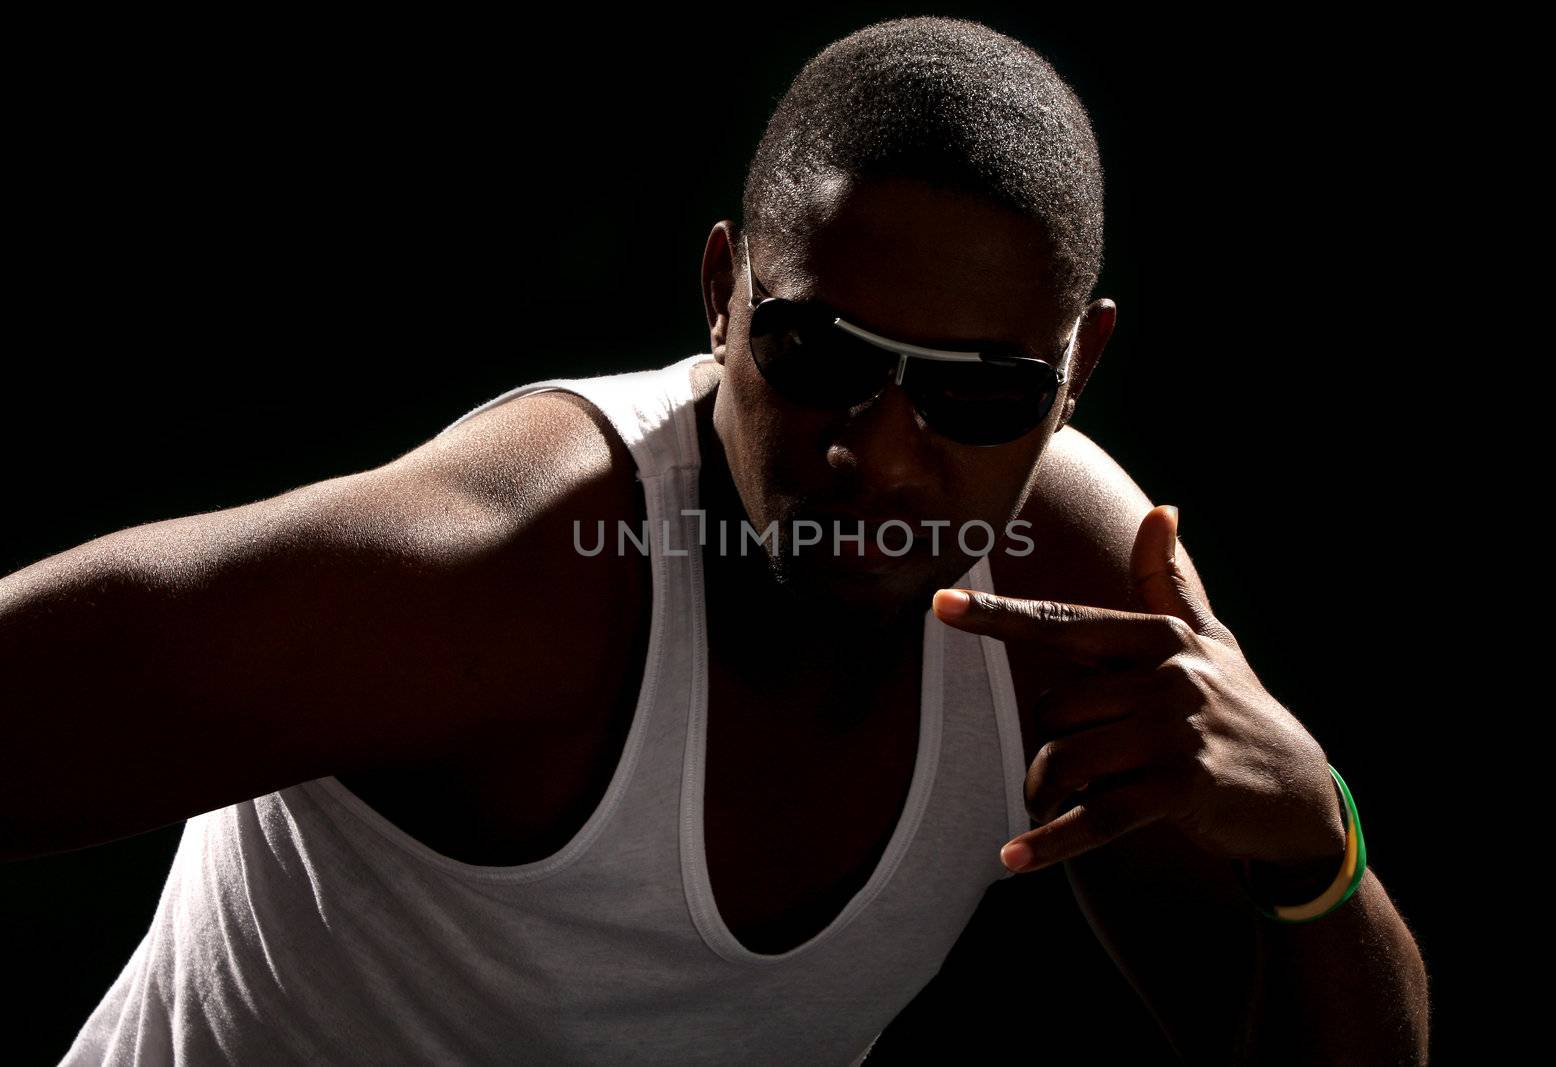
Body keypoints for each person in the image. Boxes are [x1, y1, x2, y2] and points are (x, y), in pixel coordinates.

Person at [4, 16, 1429, 1065]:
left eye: (977, 391)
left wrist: (1317, 839)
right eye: (818, 350)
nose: (875, 448)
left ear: (1077, 370)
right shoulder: (501, 571)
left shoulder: (1079, 596)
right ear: (723, 292)